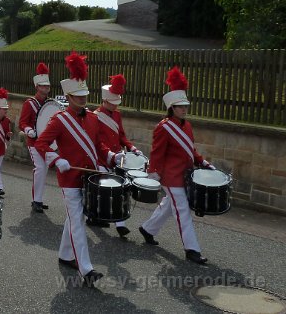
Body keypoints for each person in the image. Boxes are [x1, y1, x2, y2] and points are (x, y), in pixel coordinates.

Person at [34, 52, 121, 287]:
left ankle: (65, 254)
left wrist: (111, 155)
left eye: (85, 95)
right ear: (68, 96)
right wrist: (55, 159)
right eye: (78, 96)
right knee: (78, 222)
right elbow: (41, 143)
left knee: (76, 218)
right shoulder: (59, 120)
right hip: (70, 178)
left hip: (89, 177)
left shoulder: (93, 118)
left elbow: (97, 144)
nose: (83, 100)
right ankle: (87, 269)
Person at [139, 66, 215, 264]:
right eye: (180, 106)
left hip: (185, 174)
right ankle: (192, 249)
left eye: (185, 106)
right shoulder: (164, 127)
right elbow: (157, 152)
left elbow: (190, 150)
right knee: (182, 209)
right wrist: (153, 173)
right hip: (170, 177)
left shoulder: (187, 125)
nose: (184, 109)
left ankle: (147, 229)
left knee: (168, 206)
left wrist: (203, 162)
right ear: (172, 107)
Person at [93, 74, 145, 236]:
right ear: (105, 101)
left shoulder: (117, 115)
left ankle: (120, 223)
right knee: (104, 190)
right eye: (113, 103)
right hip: (101, 158)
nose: (115, 106)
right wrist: (109, 155)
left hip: (117, 157)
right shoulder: (95, 116)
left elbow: (121, 136)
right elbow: (97, 141)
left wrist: (132, 148)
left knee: (119, 189)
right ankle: (95, 215)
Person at [20, 62, 52, 213]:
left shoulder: (50, 104)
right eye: (43, 86)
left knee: (44, 170)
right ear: (37, 87)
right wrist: (28, 130)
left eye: (47, 86)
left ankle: (38, 199)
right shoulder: (29, 103)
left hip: (46, 143)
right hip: (33, 141)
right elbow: (22, 122)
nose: (45, 88)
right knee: (39, 168)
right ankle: (36, 201)